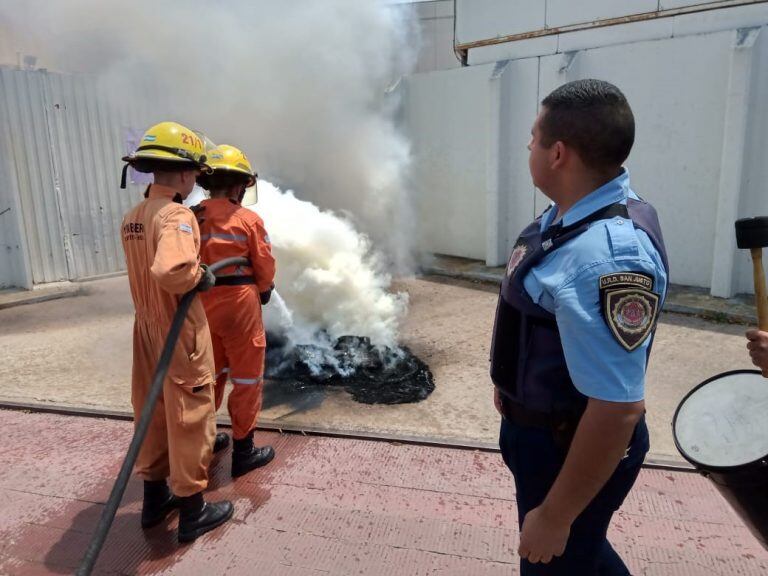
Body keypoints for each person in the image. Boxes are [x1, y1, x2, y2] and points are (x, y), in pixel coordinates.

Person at [490, 79, 669, 574]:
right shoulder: (572, 213)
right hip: (546, 431)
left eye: (534, 137)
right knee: (584, 558)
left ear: (558, 154)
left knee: (555, 556)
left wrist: (556, 514)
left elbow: (617, 409)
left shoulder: (605, 259)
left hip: (570, 450)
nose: (528, 145)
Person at [120, 121, 233, 543]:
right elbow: (171, 270)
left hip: (145, 328)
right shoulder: (176, 215)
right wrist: (198, 277)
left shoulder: (134, 216)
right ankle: (192, 510)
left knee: (152, 412)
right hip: (177, 329)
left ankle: (154, 502)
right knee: (190, 415)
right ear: (186, 173)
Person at [192, 144, 277, 478]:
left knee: (207, 374)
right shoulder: (248, 219)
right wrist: (266, 288)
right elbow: (264, 264)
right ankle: (244, 452)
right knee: (246, 376)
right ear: (241, 185)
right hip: (240, 302)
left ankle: (206, 440)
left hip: (200, 301)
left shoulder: (192, 216)